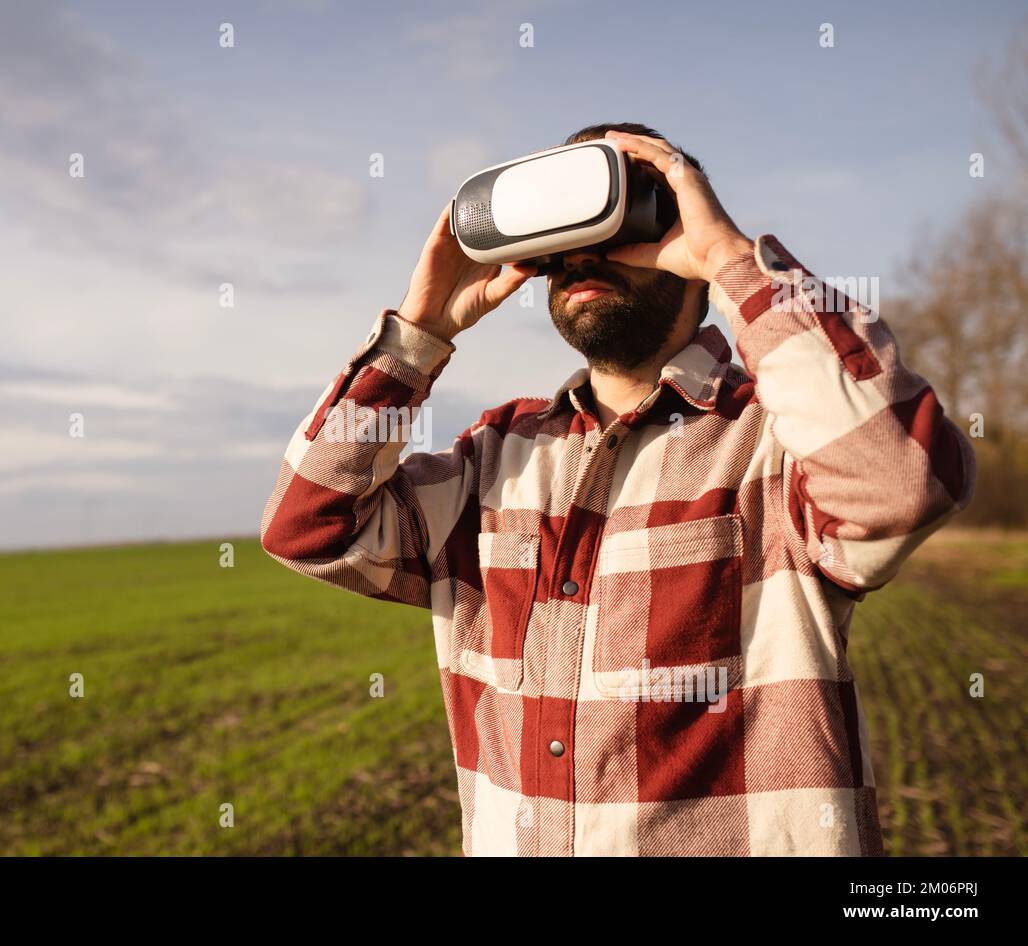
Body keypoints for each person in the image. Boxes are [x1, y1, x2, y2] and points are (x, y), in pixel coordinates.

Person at [260, 122, 976, 856]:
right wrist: (418, 333)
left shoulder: (776, 442)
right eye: (564, 241)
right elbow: (309, 527)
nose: (586, 256)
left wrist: (731, 260)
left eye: (623, 217)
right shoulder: (495, 458)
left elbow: (902, 481)